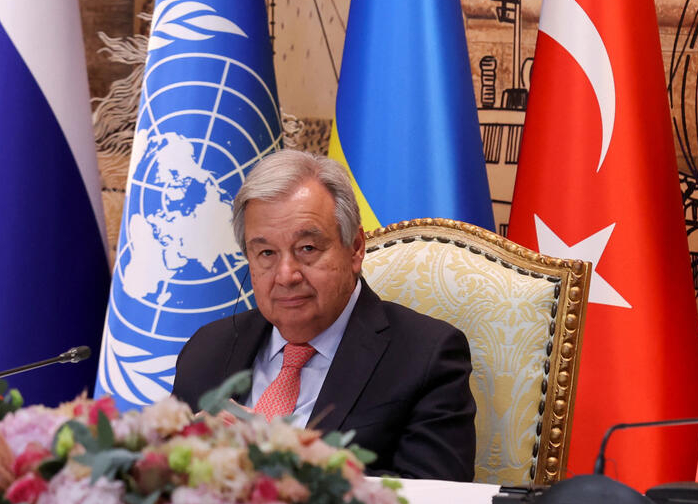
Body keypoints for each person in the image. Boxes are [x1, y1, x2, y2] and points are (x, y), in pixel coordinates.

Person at [173, 150, 476, 481]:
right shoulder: (207, 348)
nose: (286, 275)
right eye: (266, 253)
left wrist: (285, 459)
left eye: (307, 249)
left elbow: (435, 497)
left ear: (356, 248)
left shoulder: (425, 357)